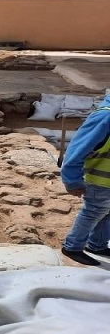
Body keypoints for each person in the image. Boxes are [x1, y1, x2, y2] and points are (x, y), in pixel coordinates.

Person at [60, 93, 110, 266]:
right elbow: (77, 149)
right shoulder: (105, 117)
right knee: (93, 212)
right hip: (99, 181)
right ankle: (72, 247)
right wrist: (72, 180)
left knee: (107, 214)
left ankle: (97, 245)